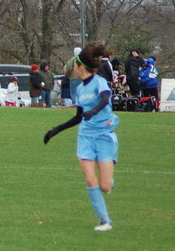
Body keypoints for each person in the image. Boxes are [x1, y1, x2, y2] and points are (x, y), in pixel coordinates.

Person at [43, 43, 120, 232]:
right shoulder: (79, 90)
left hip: (104, 135)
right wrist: (56, 130)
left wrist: (94, 111)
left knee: (105, 187)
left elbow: (105, 98)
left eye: (74, 66)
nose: (73, 70)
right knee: (90, 179)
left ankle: (109, 171)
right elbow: (78, 117)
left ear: (81, 67)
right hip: (85, 137)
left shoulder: (99, 82)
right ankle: (105, 221)